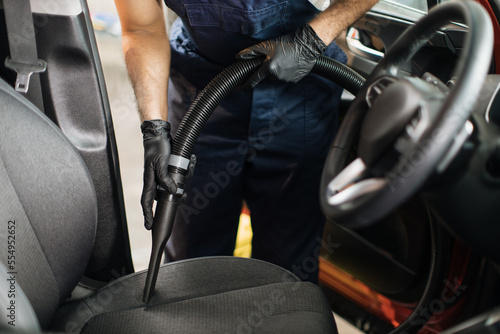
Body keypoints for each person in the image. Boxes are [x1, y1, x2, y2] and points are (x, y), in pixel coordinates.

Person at [114, 0, 378, 282]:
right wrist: (154, 128)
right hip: (202, 90)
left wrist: (313, 38)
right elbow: (142, 28)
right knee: (191, 264)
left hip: (303, 85)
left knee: (288, 267)